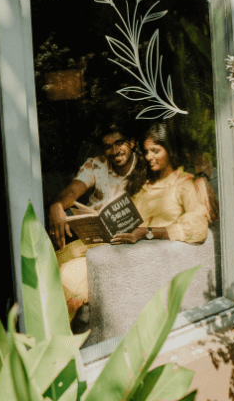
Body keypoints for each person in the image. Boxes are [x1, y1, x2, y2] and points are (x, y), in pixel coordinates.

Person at [58, 122, 218, 321]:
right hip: (122, 246)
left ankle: (56, 335)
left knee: (67, 276)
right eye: (146, 151)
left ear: (170, 150)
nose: (149, 156)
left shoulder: (185, 184)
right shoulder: (145, 183)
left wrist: (147, 232)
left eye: (155, 151)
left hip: (141, 257)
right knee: (60, 257)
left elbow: (197, 227)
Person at [48, 124, 143, 250]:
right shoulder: (97, 164)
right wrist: (57, 205)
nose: (115, 151)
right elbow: (73, 191)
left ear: (132, 143)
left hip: (131, 237)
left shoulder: (145, 166)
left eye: (119, 143)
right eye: (108, 146)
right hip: (96, 236)